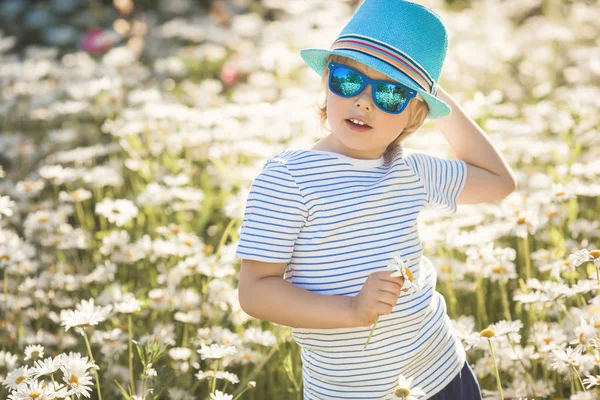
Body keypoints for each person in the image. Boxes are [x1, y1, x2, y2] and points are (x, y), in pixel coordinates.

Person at [235, 0, 517, 398]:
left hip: (439, 367)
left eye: (390, 93)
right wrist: (351, 310)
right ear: (326, 81)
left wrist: (436, 97)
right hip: (352, 389)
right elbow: (256, 290)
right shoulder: (287, 179)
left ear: (415, 116)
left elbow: (499, 182)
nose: (364, 101)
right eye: (348, 80)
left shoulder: (411, 170)